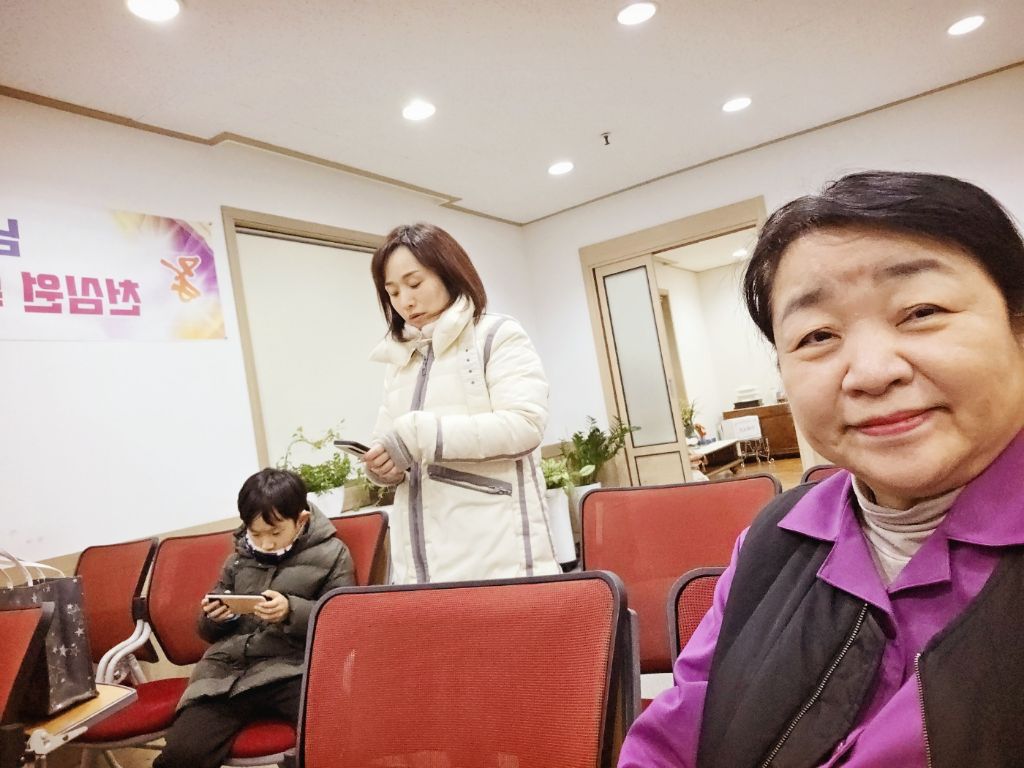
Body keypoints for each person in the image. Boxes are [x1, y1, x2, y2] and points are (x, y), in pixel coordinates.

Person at [618, 171, 1024, 767]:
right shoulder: (773, 541)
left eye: (922, 311)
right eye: (817, 336)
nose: (871, 373)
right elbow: (674, 740)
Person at [362, 222, 559, 584]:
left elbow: (524, 425)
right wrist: (383, 466)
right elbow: (388, 437)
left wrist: (418, 435)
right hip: (420, 566)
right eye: (392, 292)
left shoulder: (497, 335)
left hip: (496, 553)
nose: (405, 301)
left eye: (414, 283)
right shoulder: (400, 359)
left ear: (449, 272)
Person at [154, 468, 354, 768]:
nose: (266, 544)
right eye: (256, 534)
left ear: (301, 520)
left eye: (275, 533)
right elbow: (207, 631)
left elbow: (344, 624)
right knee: (181, 755)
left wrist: (290, 611)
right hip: (227, 674)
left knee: (331, 736)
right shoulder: (238, 558)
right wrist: (217, 618)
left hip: (294, 670)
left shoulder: (333, 554)